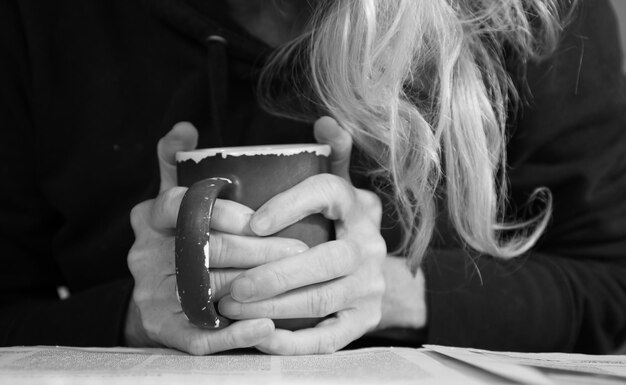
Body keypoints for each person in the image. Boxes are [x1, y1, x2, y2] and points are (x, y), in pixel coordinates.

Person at [1, 0, 625, 355]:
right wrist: (131, 319)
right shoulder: (43, 22)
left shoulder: (530, 14)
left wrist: (394, 291)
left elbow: (610, 286)